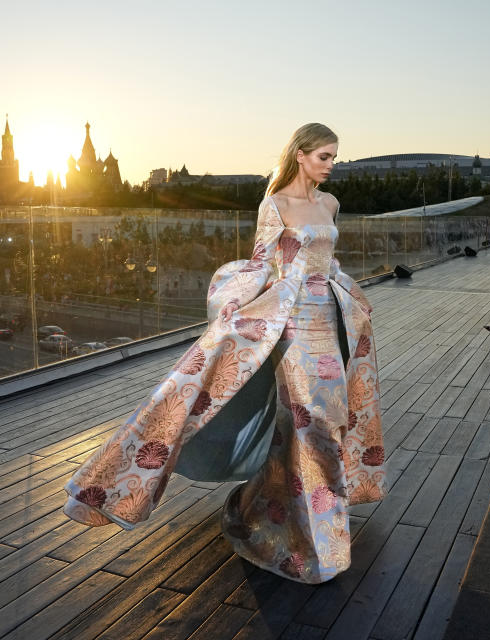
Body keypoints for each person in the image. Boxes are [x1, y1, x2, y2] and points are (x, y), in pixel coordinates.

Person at [63, 123, 385, 584]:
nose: (332, 165)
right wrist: (236, 308)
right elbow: (260, 265)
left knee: (323, 419)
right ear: (300, 155)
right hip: (291, 322)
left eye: (334, 157)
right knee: (309, 418)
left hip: (328, 319)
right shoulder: (273, 205)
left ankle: (268, 507)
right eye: (324, 157)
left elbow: (327, 261)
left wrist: (347, 292)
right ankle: (316, 541)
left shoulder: (330, 204)